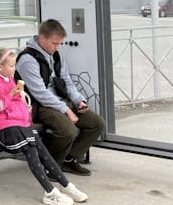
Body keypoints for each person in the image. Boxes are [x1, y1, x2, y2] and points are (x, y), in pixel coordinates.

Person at [0, 48, 88, 205]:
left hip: (19, 124)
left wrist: (22, 103)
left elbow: (17, 103)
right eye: (12, 66)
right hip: (4, 128)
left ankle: (65, 185)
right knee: (31, 150)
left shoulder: (9, 79)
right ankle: (50, 192)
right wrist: (11, 94)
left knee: (41, 149)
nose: (15, 69)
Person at [17, 19, 106, 177]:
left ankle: (69, 158)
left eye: (59, 43)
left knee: (96, 123)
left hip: (59, 101)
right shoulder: (27, 60)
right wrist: (65, 109)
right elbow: (40, 93)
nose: (57, 47)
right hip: (40, 105)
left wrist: (78, 100)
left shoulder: (56, 56)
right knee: (68, 130)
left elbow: (67, 82)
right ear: (42, 38)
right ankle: (51, 166)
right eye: (54, 43)